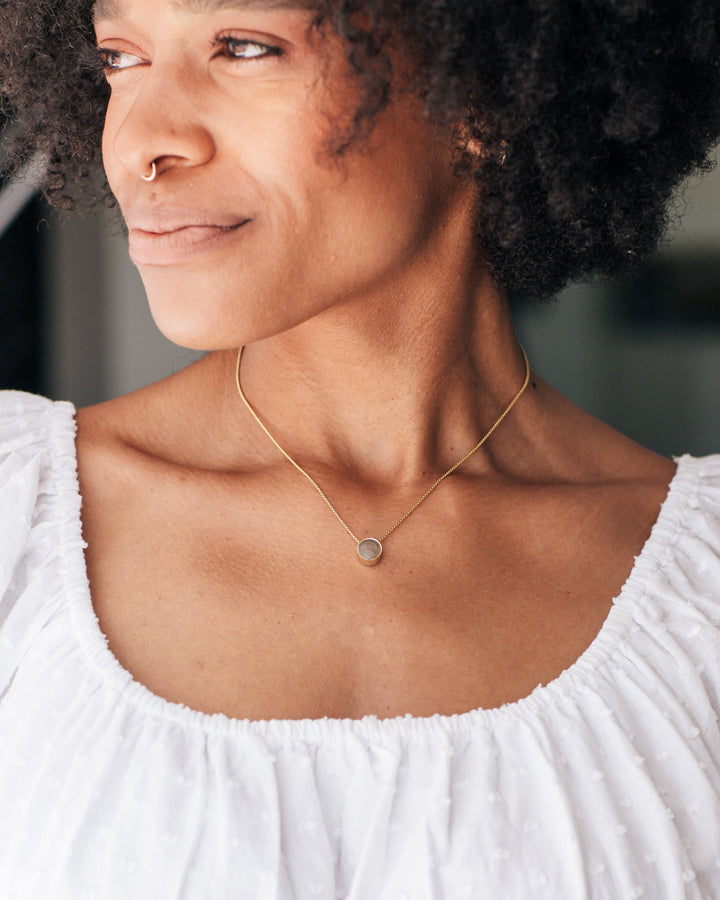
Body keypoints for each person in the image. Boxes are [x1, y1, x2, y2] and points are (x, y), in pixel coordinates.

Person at [1, 0, 719, 896]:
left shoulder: (700, 593)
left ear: (481, 97)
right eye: (119, 57)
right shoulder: (18, 521)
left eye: (244, 48)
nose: (141, 143)